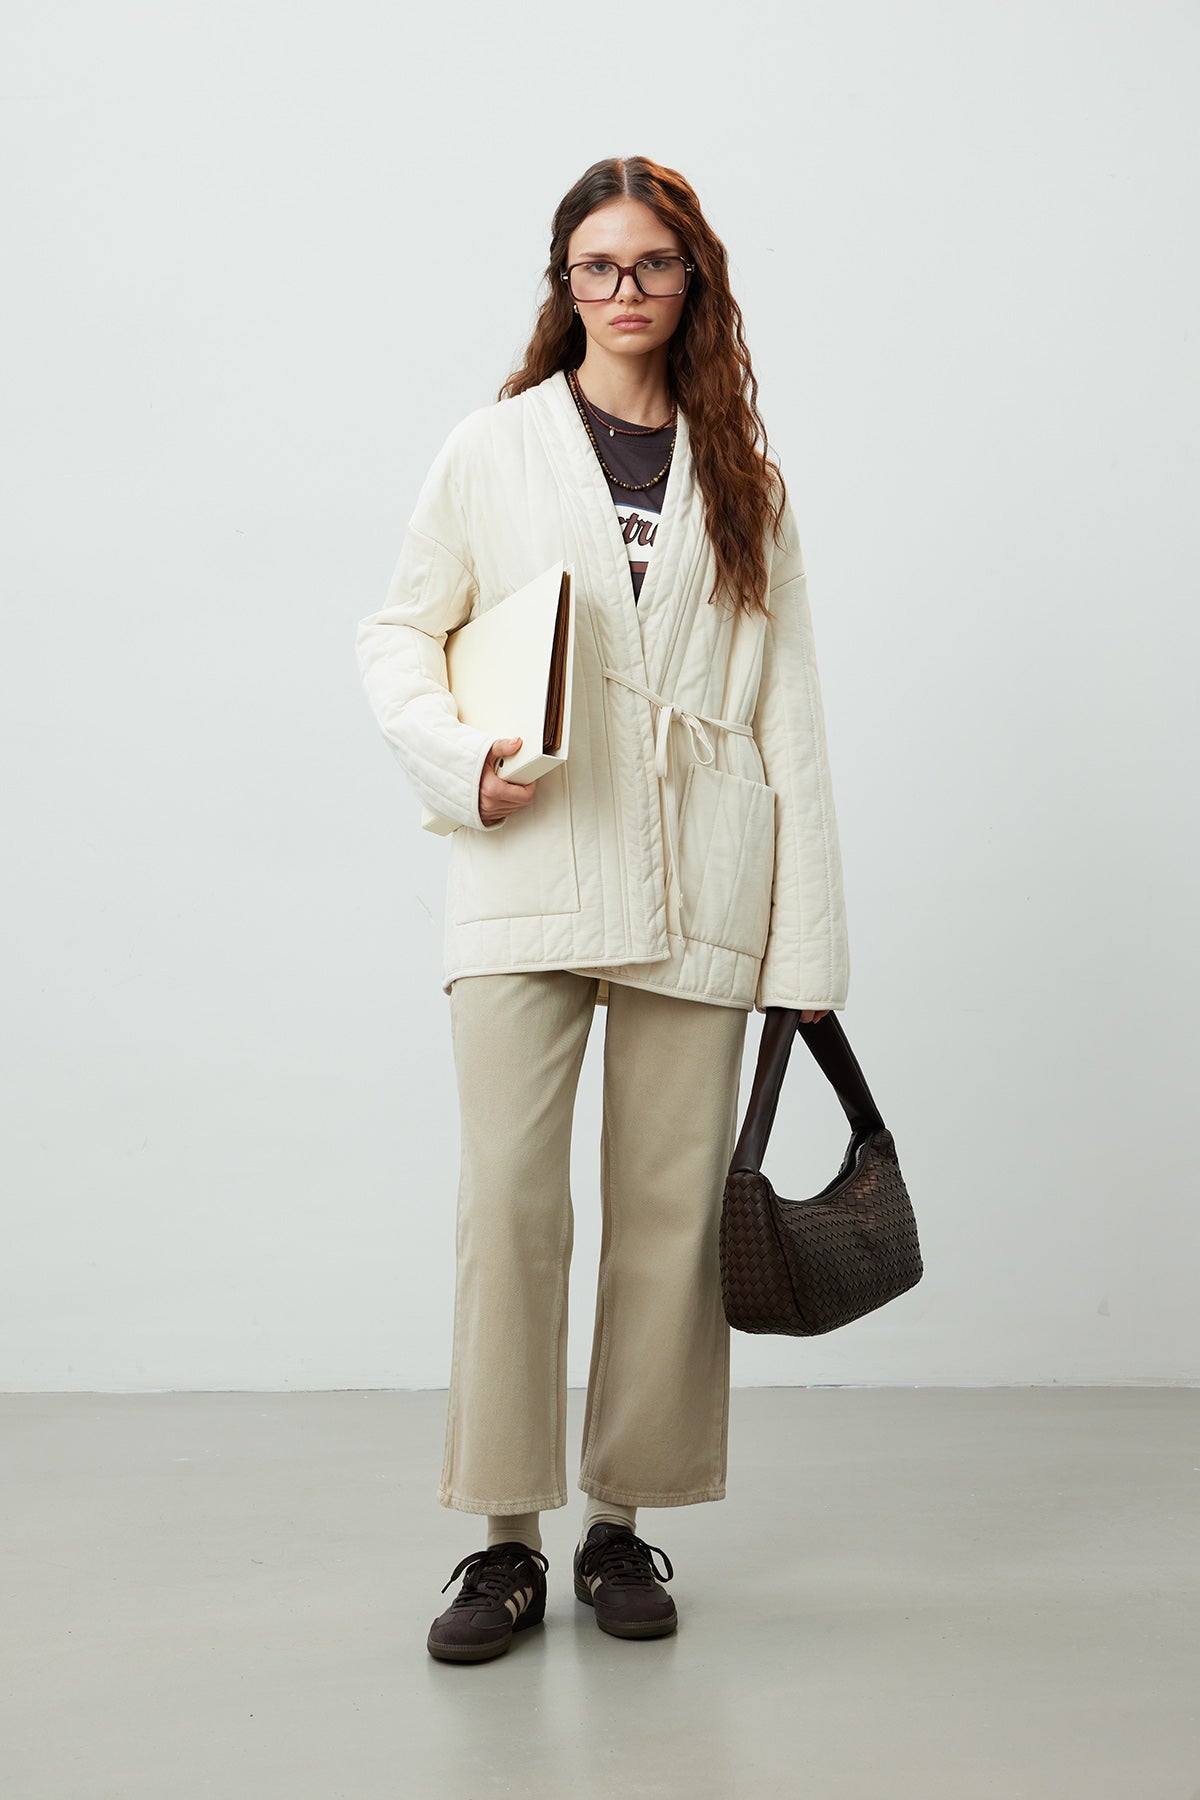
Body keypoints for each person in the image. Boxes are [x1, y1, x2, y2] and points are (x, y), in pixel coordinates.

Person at [355, 155, 850, 1663]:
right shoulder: (492, 448)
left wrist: (807, 949)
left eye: (652, 264)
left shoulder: (744, 478)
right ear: (562, 282)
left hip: (704, 874)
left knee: (665, 1220)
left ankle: (621, 1521)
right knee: (511, 1205)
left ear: (693, 281)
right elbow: (399, 635)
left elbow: (790, 717)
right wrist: (462, 763)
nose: (624, 291)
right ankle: (503, 1540)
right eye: (597, 266)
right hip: (531, 861)